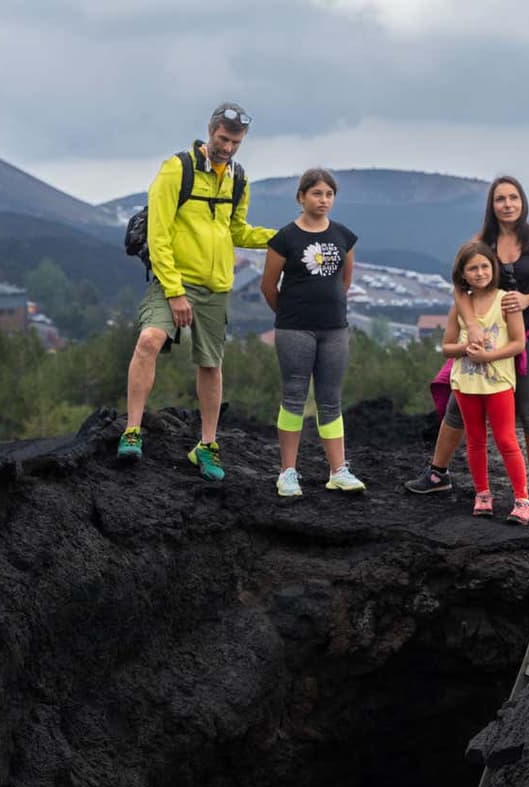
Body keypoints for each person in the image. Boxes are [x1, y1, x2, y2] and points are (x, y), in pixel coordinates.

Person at [116, 102, 276, 480]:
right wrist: (173, 291)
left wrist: (283, 238)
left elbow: (237, 231)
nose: (228, 147)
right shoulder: (177, 169)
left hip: (216, 286)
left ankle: (206, 446)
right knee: (149, 341)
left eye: (235, 142)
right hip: (174, 279)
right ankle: (132, 431)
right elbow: (158, 233)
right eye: (223, 139)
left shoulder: (238, 178)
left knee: (211, 364)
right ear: (210, 130)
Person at [406, 177, 529, 512]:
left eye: (513, 198)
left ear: (523, 202)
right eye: (500, 199)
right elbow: (458, 285)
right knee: (459, 400)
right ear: (491, 205)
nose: (507, 204)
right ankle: (438, 474)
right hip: (489, 333)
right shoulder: (481, 241)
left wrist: (527, 300)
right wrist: (469, 326)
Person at [260, 168, 366, 496]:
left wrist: (326, 308)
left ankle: (338, 471)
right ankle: (287, 472)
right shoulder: (285, 239)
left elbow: (344, 282)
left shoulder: (344, 236)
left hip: (334, 328)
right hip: (294, 328)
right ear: (301, 197)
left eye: (329, 194)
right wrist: (290, 315)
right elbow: (267, 286)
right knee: (293, 395)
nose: (323, 200)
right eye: (316, 193)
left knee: (330, 399)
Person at [442, 241, 529, 522]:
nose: (480, 273)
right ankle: (482, 493)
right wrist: (466, 348)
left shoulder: (506, 300)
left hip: (498, 382)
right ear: (463, 274)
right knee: (475, 439)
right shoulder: (460, 305)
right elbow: (447, 347)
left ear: (493, 267)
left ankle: (522, 499)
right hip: (466, 383)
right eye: (472, 268)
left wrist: (488, 356)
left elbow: (518, 343)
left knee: (506, 439)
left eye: (484, 266)